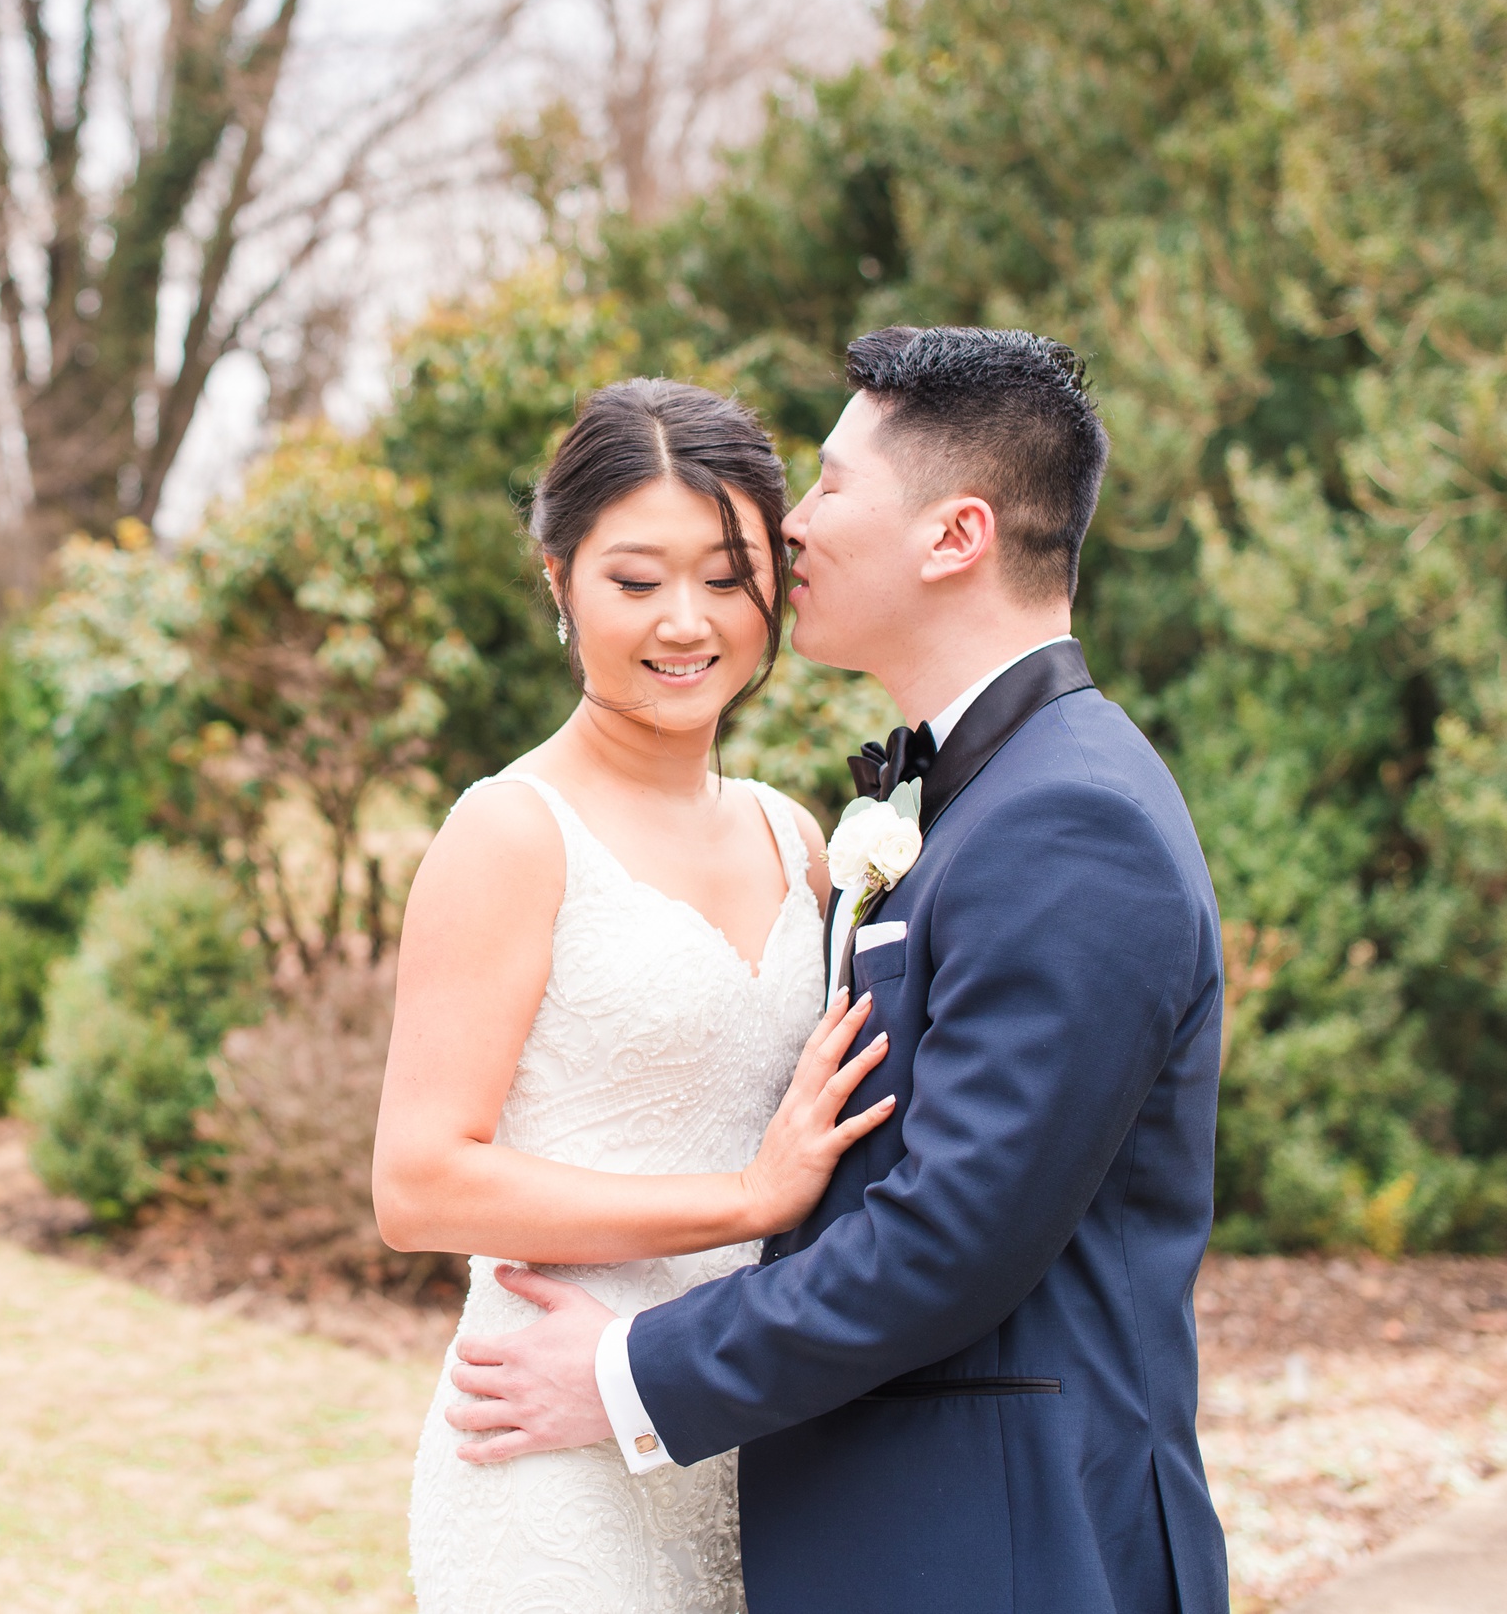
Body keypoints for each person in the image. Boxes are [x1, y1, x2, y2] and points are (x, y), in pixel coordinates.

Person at [436, 326, 1233, 1614]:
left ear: (953, 536)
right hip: (869, 1525)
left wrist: (630, 1371)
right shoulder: (972, 797)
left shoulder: (1068, 818)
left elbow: (952, 1238)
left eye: (831, 483)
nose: (789, 526)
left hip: (1008, 1545)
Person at [376, 378, 900, 1613]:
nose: (686, 621)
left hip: (746, 1431)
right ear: (556, 577)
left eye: (727, 576)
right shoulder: (510, 834)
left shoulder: (796, 836)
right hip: (549, 1447)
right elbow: (418, 1183)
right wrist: (744, 1197)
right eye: (634, 579)